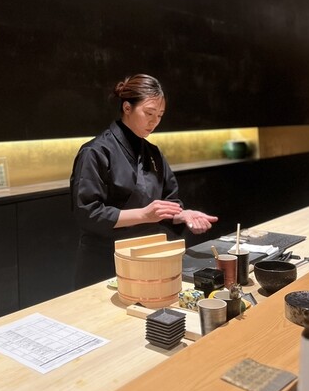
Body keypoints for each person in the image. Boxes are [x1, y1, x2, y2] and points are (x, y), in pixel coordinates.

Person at [70, 73, 218, 288]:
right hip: (104, 262)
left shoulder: (153, 153)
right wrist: (143, 214)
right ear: (127, 107)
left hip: (148, 257)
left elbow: (168, 201)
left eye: (160, 115)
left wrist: (182, 215)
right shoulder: (95, 152)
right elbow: (88, 212)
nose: (154, 121)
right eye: (149, 113)